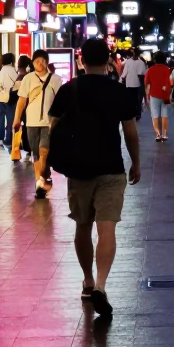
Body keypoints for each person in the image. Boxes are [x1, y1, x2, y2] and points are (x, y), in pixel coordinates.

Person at [48, 38, 140, 318]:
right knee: (107, 229)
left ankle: (87, 280)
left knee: (82, 225)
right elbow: (130, 132)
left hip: (79, 169)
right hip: (111, 167)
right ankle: (101, 284)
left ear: (81, 60)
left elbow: (53, 127)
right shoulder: (118, 91)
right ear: (109, 60)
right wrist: (136, 163)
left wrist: (49, 161)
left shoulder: (69, 89)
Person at [14, 49, 63, 200]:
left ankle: (43, 177)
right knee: (36, 154)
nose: (39, 63)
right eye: (36, 61)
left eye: (42, 60)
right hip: (31, 122)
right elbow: (21, 100)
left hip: (49, 123)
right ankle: (40, 182)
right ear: (33, 63)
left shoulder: (55, 79)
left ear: (47, 62)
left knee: (44, 151)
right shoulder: (28, 79)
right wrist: (16, 119)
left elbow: (60, 102)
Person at [144, 51, 173, 141]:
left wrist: (147, 97)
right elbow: (171, 83)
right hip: (165, 95)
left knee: (155, 115)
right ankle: (164, 134)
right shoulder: (168, 70)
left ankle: (158, 134)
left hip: (154, 94)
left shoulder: (150, 70)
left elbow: (147, 85)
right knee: (165, 114)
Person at [8, 54, 32, 160]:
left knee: (18, 126)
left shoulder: (20, 77)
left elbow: (13, 94)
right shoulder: (30, 76)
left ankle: (18, 148)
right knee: (26, 126)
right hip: (28, 106)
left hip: (18, 105)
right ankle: (27, 146)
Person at [0, 54, 18, 151]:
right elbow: (16, 84)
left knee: (1, 119)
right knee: (11, 119)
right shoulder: (12, 70)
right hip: (10, 99)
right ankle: (9, 139)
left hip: (0, 98)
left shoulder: (1, 71)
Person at [121, 49, 146, 120]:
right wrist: (122, 79)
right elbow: (125, 72)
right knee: (133, 99)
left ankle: (137, 113)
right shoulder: (130, 62)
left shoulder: (140, 62)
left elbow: (142, 73)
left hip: (136, 84)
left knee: (137, 99)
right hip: (131, 83)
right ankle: (135, 113)